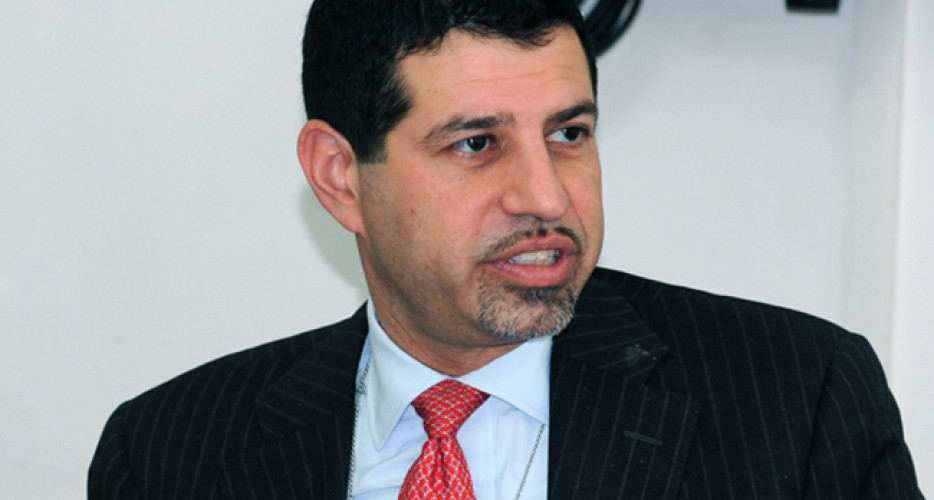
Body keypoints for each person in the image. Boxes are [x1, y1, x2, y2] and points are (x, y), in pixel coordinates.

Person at [88, 0, 923, 498]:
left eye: (569, 133)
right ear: (341, 177)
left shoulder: (796, 405)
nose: (546, 197)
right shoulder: (169, 455)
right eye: (476, 144)